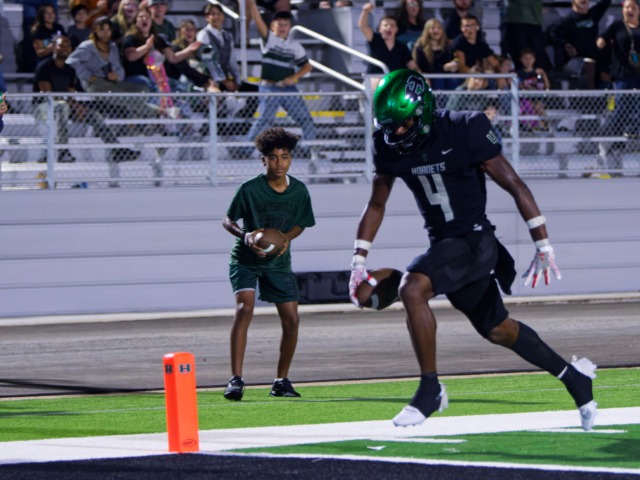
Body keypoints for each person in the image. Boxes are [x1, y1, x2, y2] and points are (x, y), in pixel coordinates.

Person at [349, 69, 597, 431]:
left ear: (423, 110)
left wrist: (542, 243)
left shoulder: (465, 127)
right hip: (446, 247)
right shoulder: (386, 143)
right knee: (499, 330)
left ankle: (431, 390)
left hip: (475, 241)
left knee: (412, 288)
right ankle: (576, 379)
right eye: (391, 125)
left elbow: (515, 185)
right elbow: (376, 204)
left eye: (404, 123)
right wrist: (358, 260)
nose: (397, 132)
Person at [221, 126, 316, 401]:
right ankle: (236, 379)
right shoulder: (249, 189)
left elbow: (301, 224)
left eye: (284, 157)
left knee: (292, 319)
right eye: (273, 158)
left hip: (279, 263)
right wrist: (246, 235)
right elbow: (227, 220)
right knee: (244, 309)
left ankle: (281, 381)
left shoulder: (299, 191)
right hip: (245, 260)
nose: (279, 163)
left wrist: (286, 238)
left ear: (290, 158)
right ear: (263, 160)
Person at [34, 35, 140, 163]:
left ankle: (117, 150)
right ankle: (63, 151)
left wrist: (78, 107)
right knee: (62, 107)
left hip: (65, 105)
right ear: (53, 48)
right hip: (44, 107)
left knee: (93, 115)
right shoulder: (44, 67)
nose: (65, 49)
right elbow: (48, 94)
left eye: (68, 46)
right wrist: (74, 105)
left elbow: (71, 93)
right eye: (61, 46)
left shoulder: (70, 70)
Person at [237, 0, 317, 159]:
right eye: (279, 24)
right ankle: (244, 151)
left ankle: (310, 150)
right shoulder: (269, 39)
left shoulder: (295, 46)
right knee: (264, 121)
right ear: (272, 26)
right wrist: (252, 4)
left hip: (288, 89)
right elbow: (258, 20)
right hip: (269, 87)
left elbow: (307, 66)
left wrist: (293, 77)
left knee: (305, 119)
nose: (282, 27)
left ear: (290, 27)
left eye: (285, 24)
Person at [595, 0, 640, 174]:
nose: (630, 10)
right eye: (627, 7)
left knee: (637, 107)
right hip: (623, 74)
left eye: (633, 7)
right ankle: (614, 143)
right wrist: (601, 41)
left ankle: (632, 133)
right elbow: (603, 36)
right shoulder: (617, 26)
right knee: (621, 108)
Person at [196, 3, 259, 119]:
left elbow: (232, 60)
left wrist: (237, 81)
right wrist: (224, 81)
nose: (216, 17)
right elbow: (208, 61)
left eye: (219, 14)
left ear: (223, 16)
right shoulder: (203, 35)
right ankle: (225, 122)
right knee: (225, 96)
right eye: (212, 14)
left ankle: (240, 123)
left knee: (254, 90)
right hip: (210, 79)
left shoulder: (227, 35)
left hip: (225, 78)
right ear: (207, 17)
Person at [546, 0, 611, 90]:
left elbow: (605, 2)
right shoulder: (567, 21)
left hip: (593, 58)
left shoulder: (593, 14)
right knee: (589, 66)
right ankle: (592, 95)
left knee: (606, 68)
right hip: (574, 61)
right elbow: (551, 33)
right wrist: (565, 44)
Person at [358, 2, 418, 74]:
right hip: (375, 77)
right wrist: (365, 11)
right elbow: (363, 27)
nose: (389, 27)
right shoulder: (374, 39)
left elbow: (412, 65)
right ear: (379, 29)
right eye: (385, 25)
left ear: (396, 29)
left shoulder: (402, 47)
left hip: (395, 78)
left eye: (392, 25)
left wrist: (422, 77)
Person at [503, 0, 552, 70]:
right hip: (517, 21)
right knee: (520, 53)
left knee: (537, 54)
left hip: (533, 22)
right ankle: (522, 74)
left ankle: (538, 75)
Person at [413, 18, 459, 91]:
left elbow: (455, 58)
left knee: (453, 79)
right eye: (433, 28)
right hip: (429, 76)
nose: (436, 30)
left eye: (439, 28)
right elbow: (424, 67)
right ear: (427, 31)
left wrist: (455, 63)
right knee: (438, 79)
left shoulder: (447, 45)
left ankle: (453, 98)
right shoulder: (421, 47)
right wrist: (443, 68)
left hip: (446, 75)